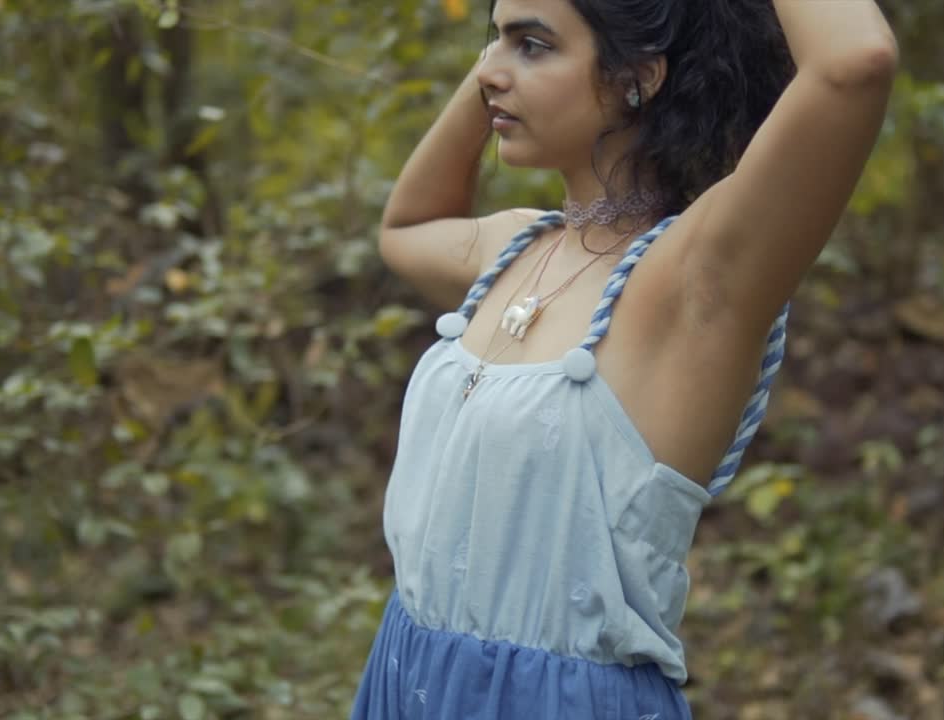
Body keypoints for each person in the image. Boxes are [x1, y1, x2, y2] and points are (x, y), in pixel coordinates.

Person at [351, 0, 897, 717]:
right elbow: (407, 227)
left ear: (636, 76)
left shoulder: (694, 278)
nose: (489, 72)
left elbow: (854, 64)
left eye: (534, 46)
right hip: (405, 674)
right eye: (494, 41)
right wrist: (504, 53)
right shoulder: (515, 247)